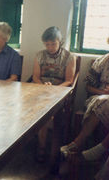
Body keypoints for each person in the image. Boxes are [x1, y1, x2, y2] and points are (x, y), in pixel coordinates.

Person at [61, 31, 109, 157]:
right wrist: (103, 92)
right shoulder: (101, 61)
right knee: (101, 101)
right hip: (99, 97)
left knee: (102, 102)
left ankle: (77, 144)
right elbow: (88, 86)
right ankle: (93, 151)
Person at [32, 26, 76, 162]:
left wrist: (54, 90)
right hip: (42, 89)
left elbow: (69, 80)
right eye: (47, 44)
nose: (50, 47)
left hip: (59, 91)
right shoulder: (39, 55)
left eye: (53, 44)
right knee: (38, 110)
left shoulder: (69, 57)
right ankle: (37, 143)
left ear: (60, 42)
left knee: (45, 114)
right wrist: (43, 87)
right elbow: (35, 77)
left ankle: (43, 148)